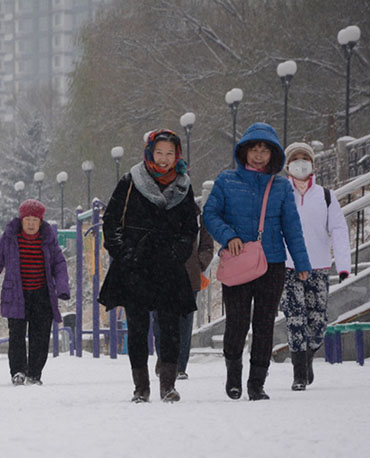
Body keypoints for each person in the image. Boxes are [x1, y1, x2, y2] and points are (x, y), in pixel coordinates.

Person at [203, 122, 312, 401]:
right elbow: (210, 214)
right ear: (245, 151)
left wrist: (301, 263)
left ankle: (257, 384)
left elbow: (292, 226)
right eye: (254, 148)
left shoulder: (280, 187)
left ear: (273, 154)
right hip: (238, 261)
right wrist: (229, 237)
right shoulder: (226, 181)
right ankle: (234, 377)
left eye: (265, 150)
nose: (259, 155)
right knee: (237, 322)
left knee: (264, 324)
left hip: (272, 264)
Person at [98, 129, 200, 403]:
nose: (164, 159)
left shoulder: (183, 186)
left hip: (168, 267)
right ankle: (140, 387)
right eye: (159, 152)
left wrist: (178, 252)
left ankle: (168, 384)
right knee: (138, 327)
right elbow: (111, 221)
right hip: (135, 266)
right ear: (149, 153)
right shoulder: (131, 181)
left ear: (177, 155)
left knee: (170, 328)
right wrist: (124, 253)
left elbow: (190, 227)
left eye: (170, 153)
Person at [0, 198, 70, 386]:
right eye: (27, 219)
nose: (31, 224)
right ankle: (18, 371)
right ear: (21, 220)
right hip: (16, 294)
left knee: (40, 336)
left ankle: (34, 373)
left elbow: (59, 263)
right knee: (17, 335)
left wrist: (63, 287)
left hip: (42, 295)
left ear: (40, 221)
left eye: (35, 220)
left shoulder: (47, 238)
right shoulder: (10, 237)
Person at [281, 141, 351, 391]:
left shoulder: (325, 195)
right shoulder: (280, 192)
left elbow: (339, 229)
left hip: (319, 268)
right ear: (287, 165)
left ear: (313, 164)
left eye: (305, 158)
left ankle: (308, 357)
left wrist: (343, 264)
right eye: (295, 158)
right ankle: (299, 373)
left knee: (318, 322)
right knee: (295, 318)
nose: (300, 162)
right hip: (287, 268)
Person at [152, 209, 215, 381]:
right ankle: (165, 360)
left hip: (188, 275)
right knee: (160, 321)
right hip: (159, 275)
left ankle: (179, 366)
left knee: (184, 323)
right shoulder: (154, 209)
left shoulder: (197, 215)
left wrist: (199, 263)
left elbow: (207, 244)